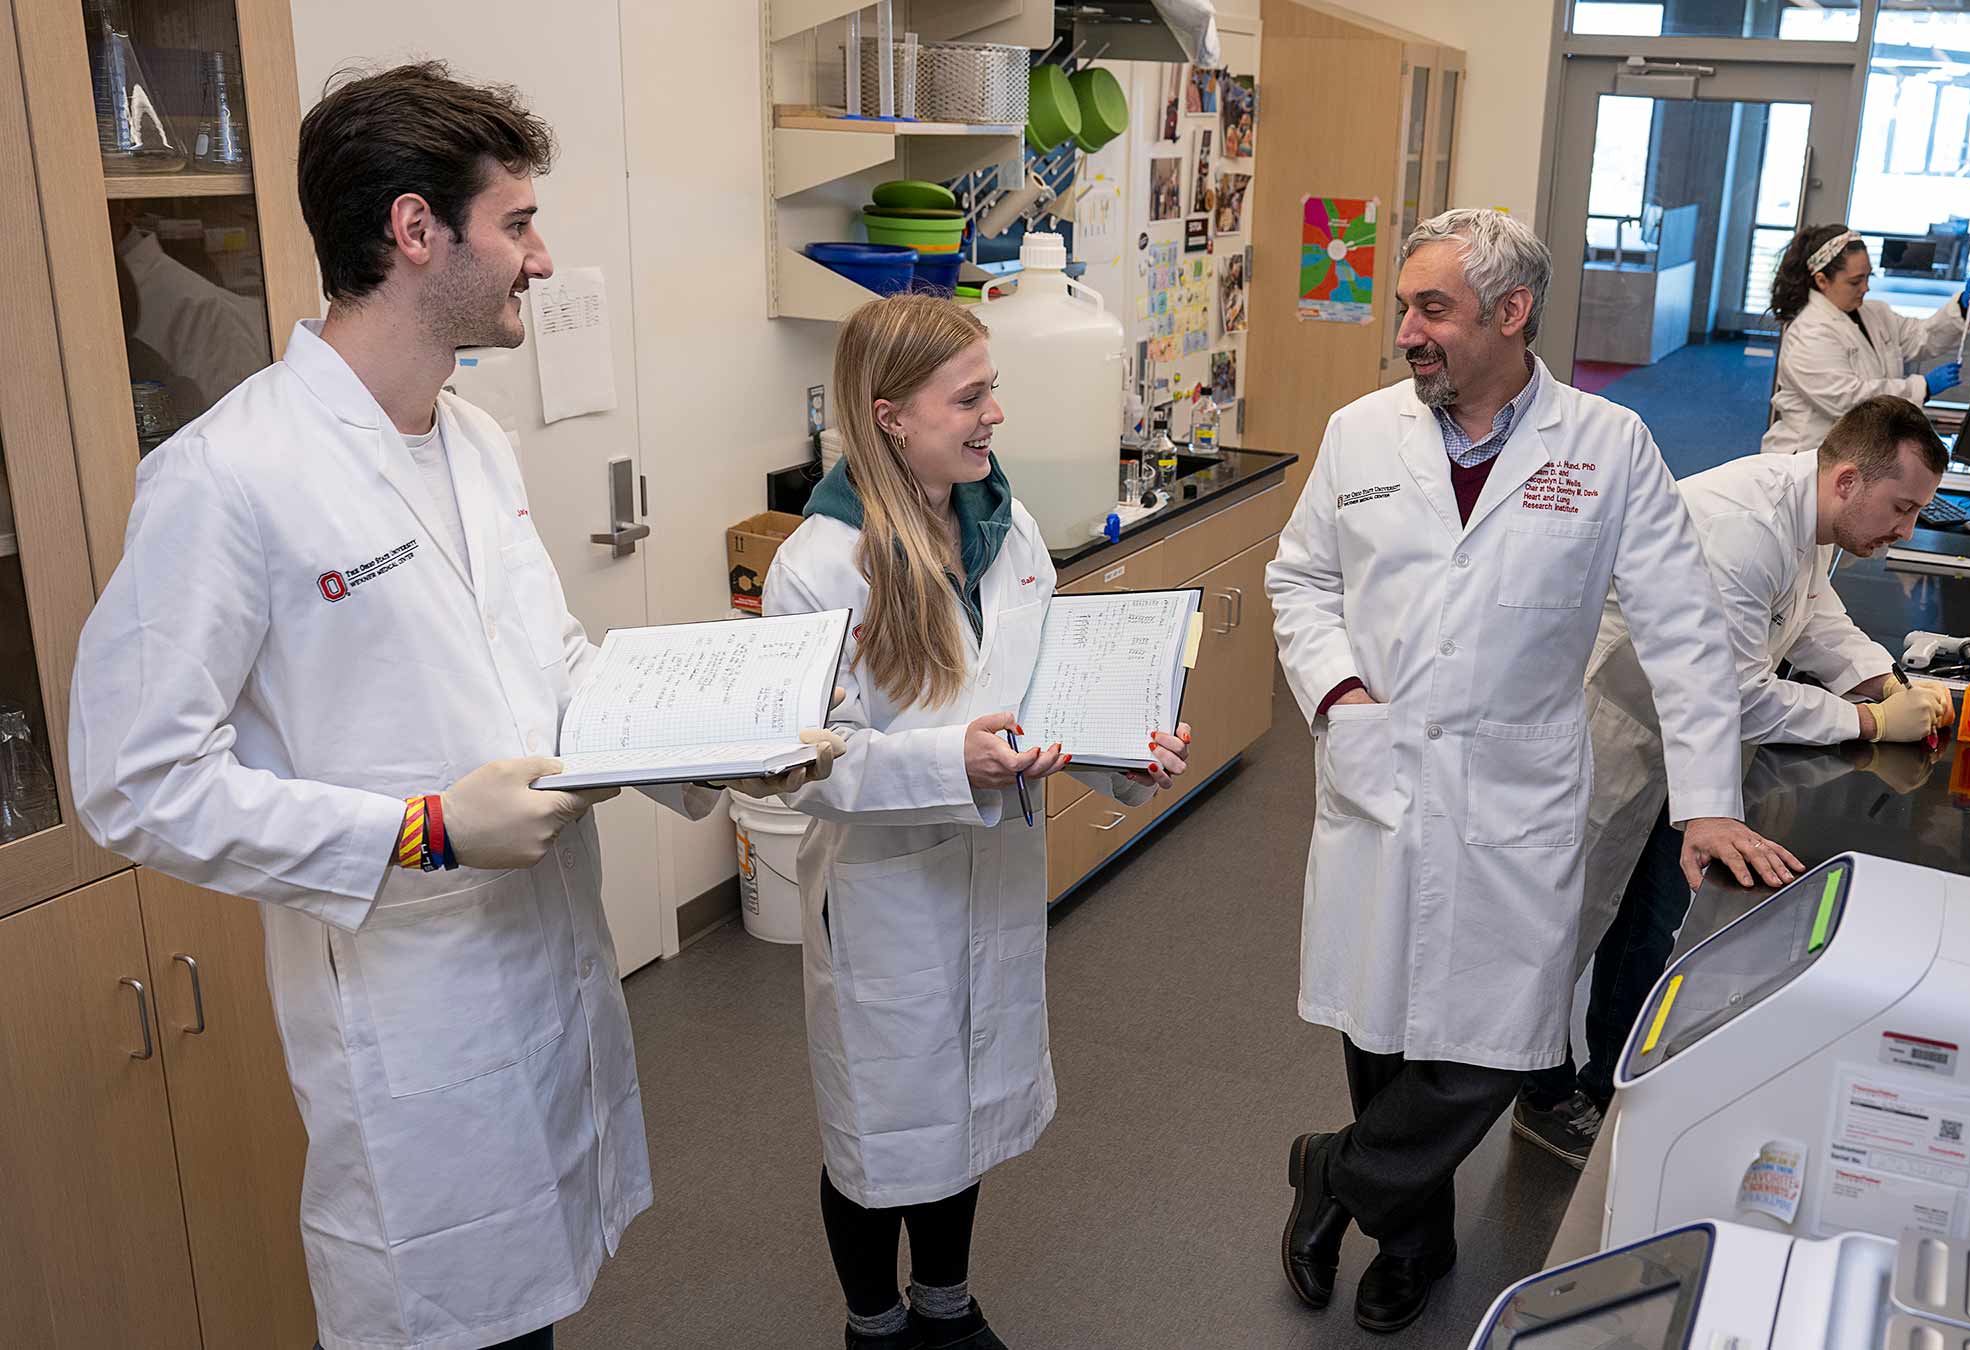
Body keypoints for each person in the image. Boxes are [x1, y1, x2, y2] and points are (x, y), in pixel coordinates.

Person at [66, 64, 840, 1350]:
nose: (541, 260)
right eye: (518, 223)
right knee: (447, 1315)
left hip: (542, 967)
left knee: (531, 1307)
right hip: (407, 1009)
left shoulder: (472, 443)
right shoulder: (227, 478)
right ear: (417, 231)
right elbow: (133, 782)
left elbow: (557, 670)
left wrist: (728, 743)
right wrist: (419, 828)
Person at [1264, 208, 1801, 1335]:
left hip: (1519, 787)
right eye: (1404, 304)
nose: (1407, 329)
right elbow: (1300, 580)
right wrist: (1337, 691)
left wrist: (1705, 801)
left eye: (1434, 309)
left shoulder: (1607, 448)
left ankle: (1337, 1174)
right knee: (1383, 1026)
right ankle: (1412, 1242)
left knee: (1500, 1046)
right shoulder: (1361, 435)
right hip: (1381, 770)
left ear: (1511, 315)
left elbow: (1686, 632)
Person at [762, 293, 1194, 1350]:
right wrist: (945, 761)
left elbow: (1045, 688)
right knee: (882, 1126)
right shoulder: (819, 564)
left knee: (962, 1108)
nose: (994, 413)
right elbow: (802, 765)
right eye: (970, 396)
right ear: (891, 415)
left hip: (993, 868)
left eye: (991, 387)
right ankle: (874, 1322)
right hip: (886, 891)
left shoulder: (1006, 528)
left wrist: (1128, 746)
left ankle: (946, 1306)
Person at [1512, 395, 1959, 1167]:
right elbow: (1739, 690)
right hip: (1613, 729)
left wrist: (1883, 681)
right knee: (1566, 922)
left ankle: (1610, 1077)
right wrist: (1871, 725)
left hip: (1683, 743)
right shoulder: (1740, 528)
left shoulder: (1814, 517)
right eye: (1902, 508)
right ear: (1850, 479)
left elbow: (1813, 614)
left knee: (1649, 921)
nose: (1906, 532)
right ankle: (1539, 1096)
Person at [1758, 223, 1970, 457]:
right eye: (1855, 281)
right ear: (1822, 281)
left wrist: (1963, 304)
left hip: (1857, 452)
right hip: (1808, 457)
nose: (1866, 287)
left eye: (1868, 277)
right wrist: (1922, 387)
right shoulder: (1808, 333)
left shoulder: (1875, 313)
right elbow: (1848, 400)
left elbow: (1922, 337)